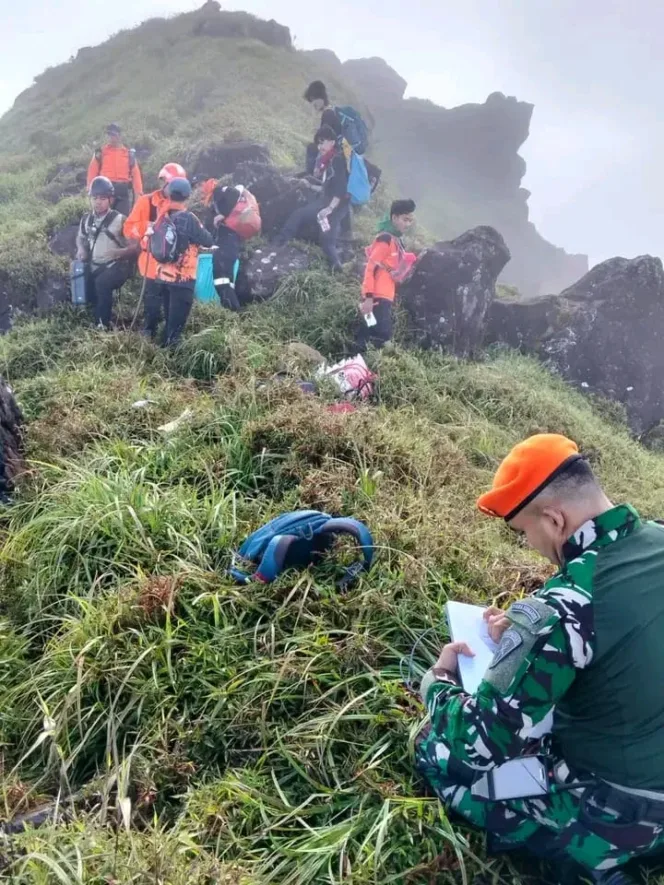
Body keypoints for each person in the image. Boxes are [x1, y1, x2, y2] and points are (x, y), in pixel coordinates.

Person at [416, 433, 664, 885]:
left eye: (523, 532)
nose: (527, 544)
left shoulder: (567, 602)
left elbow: (479, 744)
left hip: (624, 806)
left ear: (553, 519)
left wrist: (437, 684)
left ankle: (595, 858)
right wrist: (524, 638)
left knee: (436, 753)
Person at [141, 177, 214, 346]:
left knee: (169, 322)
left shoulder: (161, 217)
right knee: (176, 330)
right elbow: (208, 240)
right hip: (183, 280)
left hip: (163, 278)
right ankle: (171, 366)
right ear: (187, 196)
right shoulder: (189, 218)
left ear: (168, 195)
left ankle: (160, 354)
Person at [275, 125, 349, 271]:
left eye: (323, 142)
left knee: (327, 243)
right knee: (301, 217)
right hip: (329, 201)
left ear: (332, 142)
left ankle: (339, 269)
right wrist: (308, 185)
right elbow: (327, 188)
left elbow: (340, 190)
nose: (320, 146)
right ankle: (279, 244)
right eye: (318, 143)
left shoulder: (337, 160)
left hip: (335, 205)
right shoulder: (329, 160)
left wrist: (328, 209)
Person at [75, 176, 138, 329]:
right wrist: (81, 249)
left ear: (110, 199)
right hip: (95, 264)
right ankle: (85, 316)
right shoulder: (86, 220)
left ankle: (102, 325)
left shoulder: (120, 219)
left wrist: (119, 253)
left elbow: (135, 246)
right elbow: (80, 237)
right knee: (80, 278)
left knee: (102, 284)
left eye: (103, 198)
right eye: (95, 198)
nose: (98, 202)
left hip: (117, 267)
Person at [123, 162, 187, 302]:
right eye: (169, 183)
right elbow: (128, 228)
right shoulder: (146, 202)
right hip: (150, 264)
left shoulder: (181, 207)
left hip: (173, 266)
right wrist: (148, 226)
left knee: (170, 306)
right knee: (152, 308)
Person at [357, 199, 416, 350]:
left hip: (384, 298)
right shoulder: (385, 239)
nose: (407, 224)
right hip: (376, 299)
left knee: (367, 333)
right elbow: (371, 267)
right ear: (394, 218)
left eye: (410, 220)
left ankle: (356, 368)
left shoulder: (396, 241)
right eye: (405, 219)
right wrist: (368, 298)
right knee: (382, 334)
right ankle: (355, 368)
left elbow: (387, 269)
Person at [87, 124, 143, 216]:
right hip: (104, 191)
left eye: (114, 135)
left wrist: (138, 196)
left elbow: (136, 177)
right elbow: (92, 172)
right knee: (103, 219)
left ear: (120, 136)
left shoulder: (129, 155)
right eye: (109, 135)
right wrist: (90, 191)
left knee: (122, 221)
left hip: (122, 192)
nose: (111, 138)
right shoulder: (101, 153)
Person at [206, 183, 243, 311]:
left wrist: (223, 215)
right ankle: (231, 314)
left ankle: (235, 313)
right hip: (232, 244)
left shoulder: (218, 191)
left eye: (198, 186)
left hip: (226, 244)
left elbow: (236, 192)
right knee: (227, 283)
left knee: (221, 282)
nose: (198, 190)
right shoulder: (214, 201)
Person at [303, 81, 342, 175]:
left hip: (333, 154)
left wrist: (318, 167)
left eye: (313, 99)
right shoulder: (332, 112)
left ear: (321, 97)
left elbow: (324, 143)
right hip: (337, 152)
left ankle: (312, 176)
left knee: (312, 147)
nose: (313, 104)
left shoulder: (328, 114)